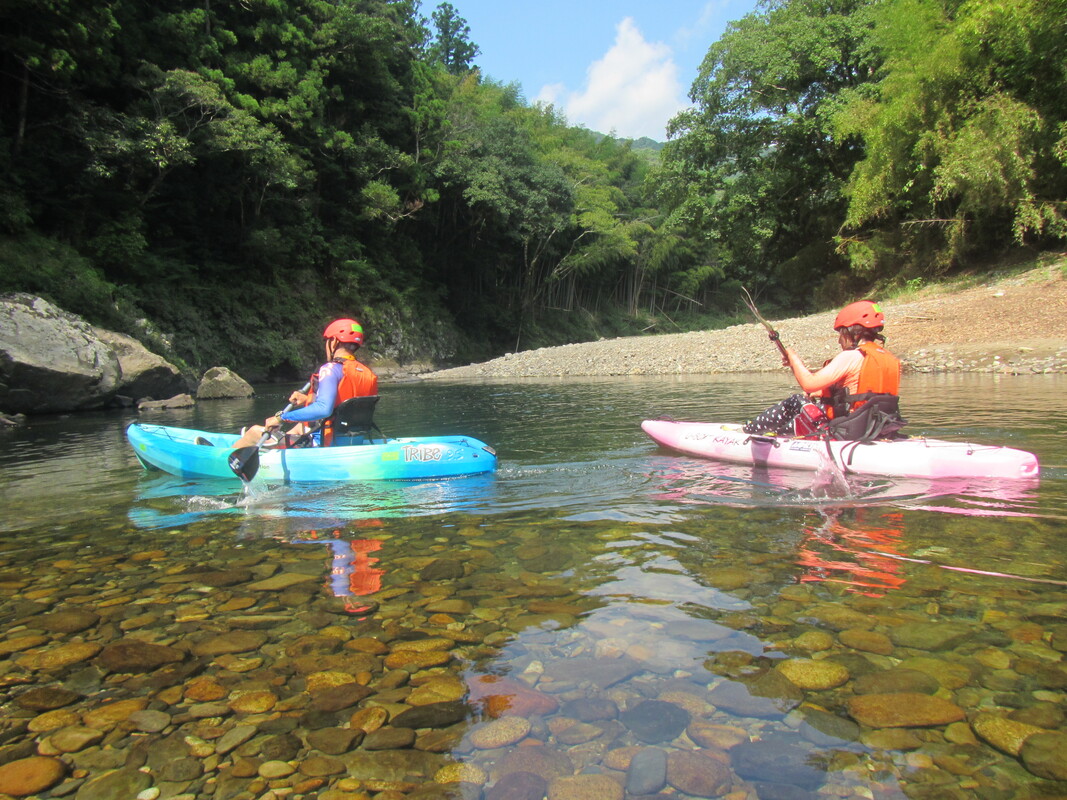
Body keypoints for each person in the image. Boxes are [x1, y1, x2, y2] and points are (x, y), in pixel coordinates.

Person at [742, 300, 901, 437]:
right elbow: (855, 393)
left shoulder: (851, 356)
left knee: (796, 401)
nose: (839, 340)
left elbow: (809, 384)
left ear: (853, 332)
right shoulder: (888, 358)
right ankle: (779, 433)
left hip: (848, 431)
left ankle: (749, 431)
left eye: (841, 333)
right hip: (877, 429)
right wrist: (818, 391)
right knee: (810, 404)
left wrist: (793, 357)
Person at [233, 318, 378, 449]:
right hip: (352, 439)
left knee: (253, 432)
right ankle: (275, 450)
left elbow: (324, 409)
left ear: (333, 341)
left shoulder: (330, 369)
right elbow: (343, 406)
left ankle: (227, 460)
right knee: (300, 426)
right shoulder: (366, 373)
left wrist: (281, 417)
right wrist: (307, 400)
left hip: (325, 444)